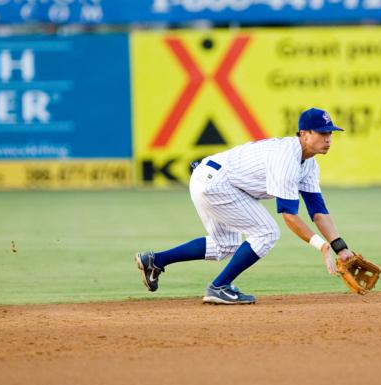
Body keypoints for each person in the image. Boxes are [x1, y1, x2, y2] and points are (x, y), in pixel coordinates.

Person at [135, 107, 355, 304]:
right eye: (322, 132)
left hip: (210, 179)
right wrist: (321, 245)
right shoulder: (286, 158)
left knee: (225, 245)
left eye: (330, 133)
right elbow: (289, 215)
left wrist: (340, 248)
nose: (328, 139)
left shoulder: (309, 165)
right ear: (304, 134)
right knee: (267, 232)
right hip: (217, 183)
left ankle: (156, 260)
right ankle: (219, 287)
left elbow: (318, 212)